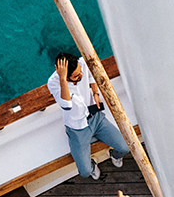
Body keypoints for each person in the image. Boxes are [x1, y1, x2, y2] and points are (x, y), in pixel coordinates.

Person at [47, 51, 129, 181]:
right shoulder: (54, 82)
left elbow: (90, 76)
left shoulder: (81, 64)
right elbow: (66, 105)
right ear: (66, 77)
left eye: (80, 73)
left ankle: (114, 155)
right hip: (77, 128)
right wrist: (62, 79)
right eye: (76, 76)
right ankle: (92, 165)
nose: (81, 76)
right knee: (84, 172)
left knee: (124, 147)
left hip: (96, 118)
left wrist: (95, 93)